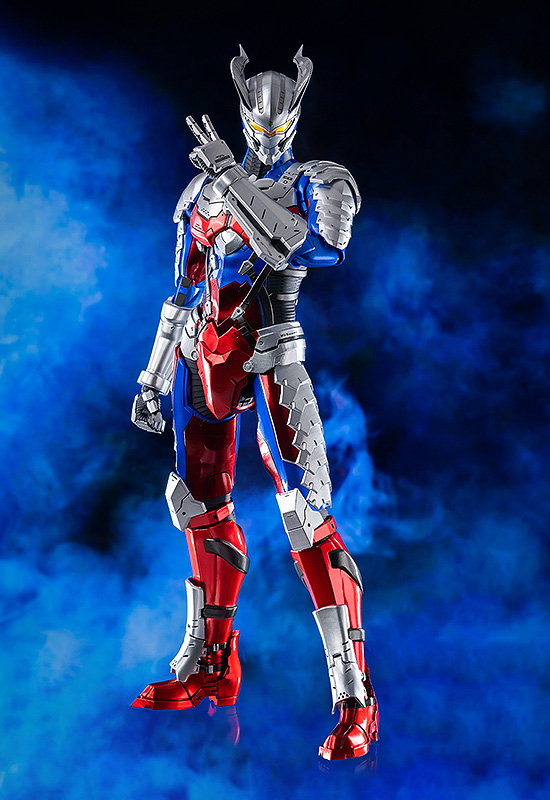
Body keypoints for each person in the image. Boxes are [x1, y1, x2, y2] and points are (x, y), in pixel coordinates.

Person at [130, 46, 378, 760]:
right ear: (241, 112)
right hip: (202, 356)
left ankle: (355, 698)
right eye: (256, 120)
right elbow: (184, 291)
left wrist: (231, 174)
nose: (267, 130)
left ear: (296, 114)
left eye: (279, 119)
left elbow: (294, 247)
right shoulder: (201, 193)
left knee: (306, 515)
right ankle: (211, 662)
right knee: (196, 504)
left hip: (272, 352)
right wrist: (152, 376)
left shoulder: (318, 181)